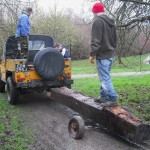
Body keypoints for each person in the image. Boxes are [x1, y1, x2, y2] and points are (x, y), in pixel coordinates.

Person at [90, 2, 118, 106]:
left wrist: (92, 54)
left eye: (93, 12)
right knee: (104, 76)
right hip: (110, 54)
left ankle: (112, 98)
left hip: (102, 55)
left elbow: (96, 40)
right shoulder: (111, 21)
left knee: (104, 78)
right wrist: (112, 48)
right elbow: (115, 39)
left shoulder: (97, 22)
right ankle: (104, 97)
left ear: (94, 12)